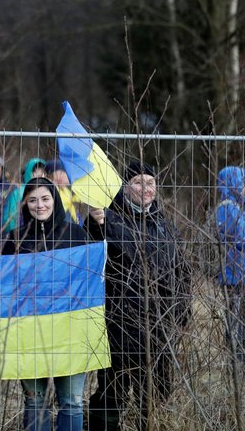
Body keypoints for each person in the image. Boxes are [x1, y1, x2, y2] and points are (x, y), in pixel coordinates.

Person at [85, 160, 191, 431]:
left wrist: (181, 311)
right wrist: (95, 224)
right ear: (125, 186)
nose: (146, 188)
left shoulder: (165, 227)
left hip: (158, 327)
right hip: (117, 324)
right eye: (138, 182)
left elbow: (181, 273)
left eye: (151, 182)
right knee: (112, 391)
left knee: (155, 393)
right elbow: (90, 251)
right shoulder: (109, 218)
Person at [6, 178, 91, 431]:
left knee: (72, 402)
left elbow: (90, 277)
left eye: (45, 199)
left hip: (71, 332)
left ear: (55, 200)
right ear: (25, 204)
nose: (39, 205)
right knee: (35, 402)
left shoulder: (75, 233)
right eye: (32, 200)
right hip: (30, 332)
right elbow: (6, 284)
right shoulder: (15, 238)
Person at [215, 166, 245, 368]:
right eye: (243, 183)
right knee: (239, 327)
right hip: (236, 278)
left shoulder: (236, 208)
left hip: (244, 277)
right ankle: (239, 369)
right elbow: (244, 241)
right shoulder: (227, 208)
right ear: (233, 184)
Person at [2, 158, 47, 232]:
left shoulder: (47, 192)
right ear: (29, 173)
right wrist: (16, 235)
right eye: (35, 171)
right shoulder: (18, 193)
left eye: (43, 172)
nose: (39, 175)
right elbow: (9, 219)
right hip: (22, 236)